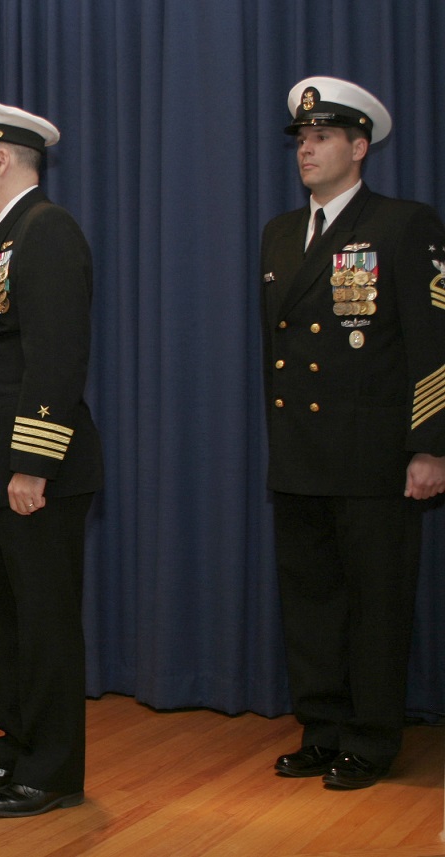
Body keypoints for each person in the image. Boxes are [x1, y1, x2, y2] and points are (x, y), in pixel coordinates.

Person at [261, 77, 445, 790]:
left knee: (374, 603)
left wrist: (431, 443)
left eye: (323, 137)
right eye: (302, 139)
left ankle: (371, 738)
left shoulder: (404, 224)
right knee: (310, 600)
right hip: (301, 454)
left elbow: (433, 343)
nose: (307, 149)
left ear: (359, 146)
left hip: (375, 456)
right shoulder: (279, 233)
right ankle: (323, 726)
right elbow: (274, 352)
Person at [0, 95, 103, 817]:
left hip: (32, 469)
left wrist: (31, 464)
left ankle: (55, 766)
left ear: (3, 158)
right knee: (5, 624)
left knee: (44, 620)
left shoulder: (48, 231)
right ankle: (16, 745)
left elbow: (56, 358)